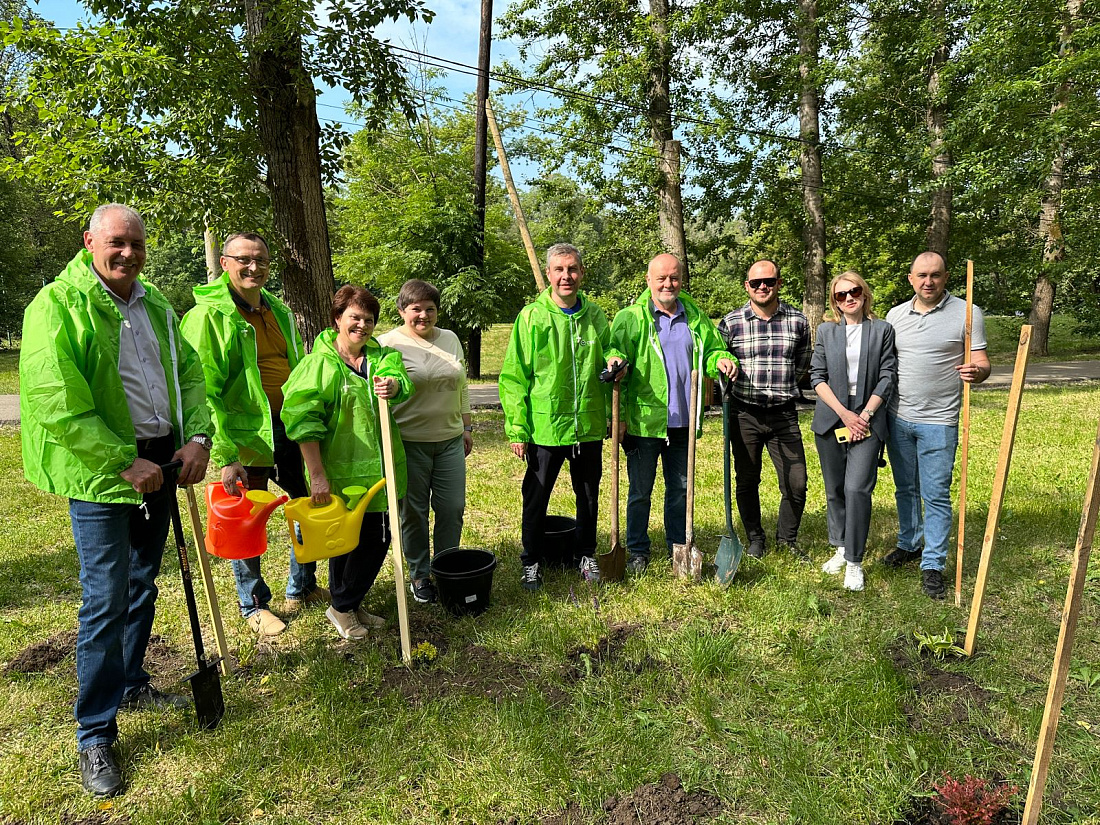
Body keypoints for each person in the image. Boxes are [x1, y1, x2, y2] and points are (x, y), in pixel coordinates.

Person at [19, 204, 213, 797]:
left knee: (143, 582)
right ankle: (95, 734)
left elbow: (190, 373)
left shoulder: (154, 303)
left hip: (162, 459)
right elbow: (55, 398)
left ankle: (131, 682)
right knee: (105, 597)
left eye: (136, 244)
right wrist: (120, 461)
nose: (127, 253)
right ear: (90, 242)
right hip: (104, 471)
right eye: (116, 242)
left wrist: (198, 436)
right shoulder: (56, 305)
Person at [181, 232, 328, 637]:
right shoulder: (208, 317)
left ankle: (302, 585)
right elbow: (202, 390)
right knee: (247, 520)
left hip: (292, 429)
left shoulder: (277, 309)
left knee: (307, 505)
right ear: (225, 263)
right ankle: (254, 604)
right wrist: (225, 453)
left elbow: (296, 367)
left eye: (261, 260)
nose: (254, 267)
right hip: (247, 436)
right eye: (244, 259)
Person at [281, 285, 413, 640]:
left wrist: (394, 387)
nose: (362, 325)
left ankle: (348, 603)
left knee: (379, 537)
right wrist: (317, 475)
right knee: (349, 541)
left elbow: (401, 380)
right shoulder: (317, 365)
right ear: (337, 319)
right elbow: (301, 420)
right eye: (355, 317)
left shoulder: (381, 357)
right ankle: (342, 606)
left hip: (383, 469)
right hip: (340, 471)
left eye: (369, 319)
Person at [499, 243, 623, 590]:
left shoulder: (595, 315)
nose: (566, 276)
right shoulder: (532, 317)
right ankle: (532, 561)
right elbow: (514, 376)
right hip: (546, 427)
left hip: (587, 425)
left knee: (588, 495)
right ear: (549, 274)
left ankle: (586, 554)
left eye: (572, 269)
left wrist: (614, 360)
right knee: (536, 496)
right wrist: (518, 428)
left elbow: (608, 349)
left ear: (581, 273)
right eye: (559, 270)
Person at [608, 253, 738, 574]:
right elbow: (615, 352)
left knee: (679, 489)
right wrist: (614, 366)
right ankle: (638, 550)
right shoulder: (631, 318)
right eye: (662, 278)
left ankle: (677, 547)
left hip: (684, 422)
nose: (669, 284)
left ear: (681, 279)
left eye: (674, 277)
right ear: (648, 280)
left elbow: (712, 349)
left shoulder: (694, 315)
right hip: (644, 422)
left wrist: (720, 360)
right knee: (640, 491)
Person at [884, 251, 989, 600]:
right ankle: (910, 543)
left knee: (936, 494)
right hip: (897, 417)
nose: (928, 282)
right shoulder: (894, 316)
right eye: (922, 275)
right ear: (911, 278)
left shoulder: (968, 313)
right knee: (905, 489)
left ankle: (933, 563)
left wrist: (978, 372)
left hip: (940, 421)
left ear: (946, 277)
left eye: (936, 275)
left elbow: (982, 362)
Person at [377, 280, 471, 604]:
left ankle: (446, 568)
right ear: (402, 310)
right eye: (415, 308)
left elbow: (462, 385)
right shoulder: (386, 344)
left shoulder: (451, 339)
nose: (423, 315)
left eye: (429, 308)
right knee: (413, 512)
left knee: (452, 507)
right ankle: (420, 574)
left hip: (450, 439)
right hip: (408, 442)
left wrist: (468, 425)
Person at [718, 260, 812, 561]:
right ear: (747, 286)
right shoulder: (731, 323)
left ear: (779, 283)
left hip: (784, 413)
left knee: (796, 481)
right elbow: (719, 359)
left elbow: (802, 363)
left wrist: (783, 387)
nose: (763, 287)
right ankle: (755, 538)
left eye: (769, 281)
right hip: (745, 413)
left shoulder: (798, 321)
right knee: (747, 480)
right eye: (756, 282)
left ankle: (787, 539)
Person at [809, 271, 897, 591]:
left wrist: (864, 415)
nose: (848, 298)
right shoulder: (826, 331)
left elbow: (887, 376)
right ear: (834, 301)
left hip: (868, 420)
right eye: (840, 294)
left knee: (857, 488)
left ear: (864, 293)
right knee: (835, 489)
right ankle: (841, 547)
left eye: (854, 291)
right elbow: (816, 377)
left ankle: (855, 562)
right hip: (832, 418)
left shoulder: (882, 330)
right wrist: (845, 414)